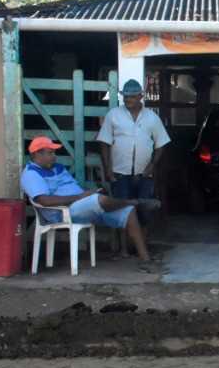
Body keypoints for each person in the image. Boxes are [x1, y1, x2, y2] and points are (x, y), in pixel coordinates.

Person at [20, 136, 156, 269]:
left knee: (128, 212)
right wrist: (81, 197)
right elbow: (44, 201)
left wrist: (85, 196)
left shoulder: (57, 168)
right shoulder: (31, 174)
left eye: (54, 152)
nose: (54, 156)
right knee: (99, 199)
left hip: (80, 207)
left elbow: (72, 189)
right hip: (62, 212)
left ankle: (145, 259)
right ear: (37, 154)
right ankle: (133, 201)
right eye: (50, 153)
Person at [97, 79, 170, 233]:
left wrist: (151, 166)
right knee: (122, 211)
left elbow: (161, 145)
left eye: (131, 96)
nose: (127, 99)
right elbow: (104, 143)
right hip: (119, 173)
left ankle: (142, 247)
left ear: (140, 96)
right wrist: (108, 170)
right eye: (125, 96)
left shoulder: (152, 117)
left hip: (144, 174)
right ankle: (123, 250)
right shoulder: (114, 115)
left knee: (144, 211)